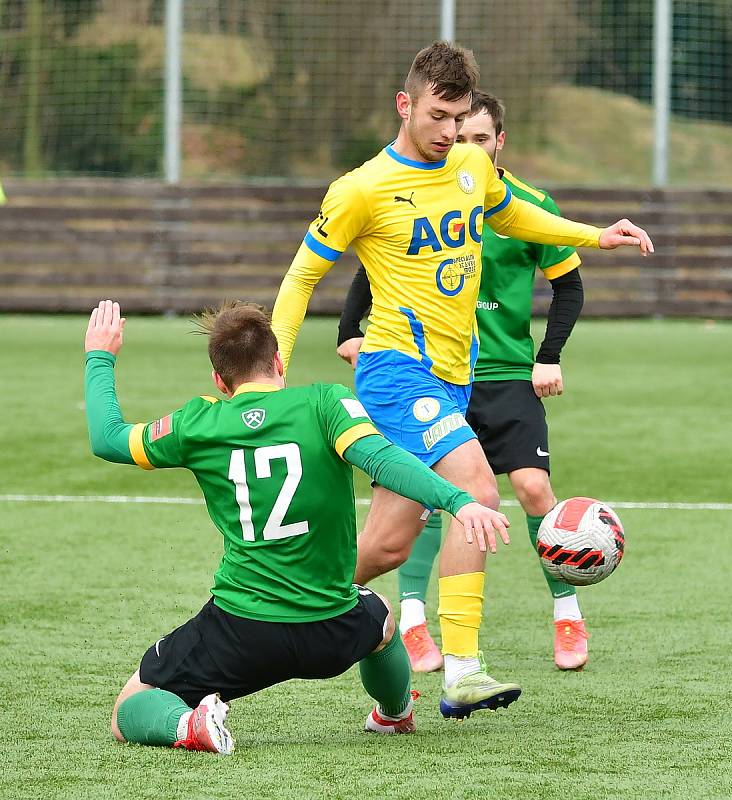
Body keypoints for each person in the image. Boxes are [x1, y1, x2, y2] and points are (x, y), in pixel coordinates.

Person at [271, 41, 653, 719]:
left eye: (460, 118)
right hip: (395, 370)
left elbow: (513, 214)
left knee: (386, 546)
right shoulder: (361, 189)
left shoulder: (472, 163)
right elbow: (303, 278)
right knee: (477, 490)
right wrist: (271, 373)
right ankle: (463, 671)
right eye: (439, 116)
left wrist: (596, 236)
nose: (450, 132)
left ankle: (271, 611)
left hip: (454, 380)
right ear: (406, 104)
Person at [84, 299, 510, 753]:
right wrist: (458, 500)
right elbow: (384, 460)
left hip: (241, 633)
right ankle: (395, 713)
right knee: (381, 618)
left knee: (131, 706)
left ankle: (189, 727)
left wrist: (100, 354)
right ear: (278, 361)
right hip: (334, 631)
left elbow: (108, 438)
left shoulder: (198, 423)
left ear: (219, 381)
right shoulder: (328, 402)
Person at [337, 91, 590, 674]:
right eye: (455, 131)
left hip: (503, 375)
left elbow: (569, 286)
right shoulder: (421, 190)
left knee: (529, 490)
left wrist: (548, 355)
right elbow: (372, 268)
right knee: (434, 505)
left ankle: (565, 611)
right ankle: (417, 628)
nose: (461, 144)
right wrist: (350, 332)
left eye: (477, 137)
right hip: (429, 375)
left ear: (499, 141)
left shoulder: (524, 205)